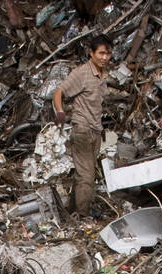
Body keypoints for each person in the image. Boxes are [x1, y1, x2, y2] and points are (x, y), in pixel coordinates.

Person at [53, 34, 112, 218]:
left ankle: (70, 212)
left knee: (83, 174)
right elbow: (58, 92)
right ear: (91, 53)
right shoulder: (82, 73)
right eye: (101, 53)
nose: (104, 57)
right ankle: (83, 217)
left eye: (108, 54)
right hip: (82, 129)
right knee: (87, 176)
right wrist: (60, 112)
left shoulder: (102, 74)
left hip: (95, 130)